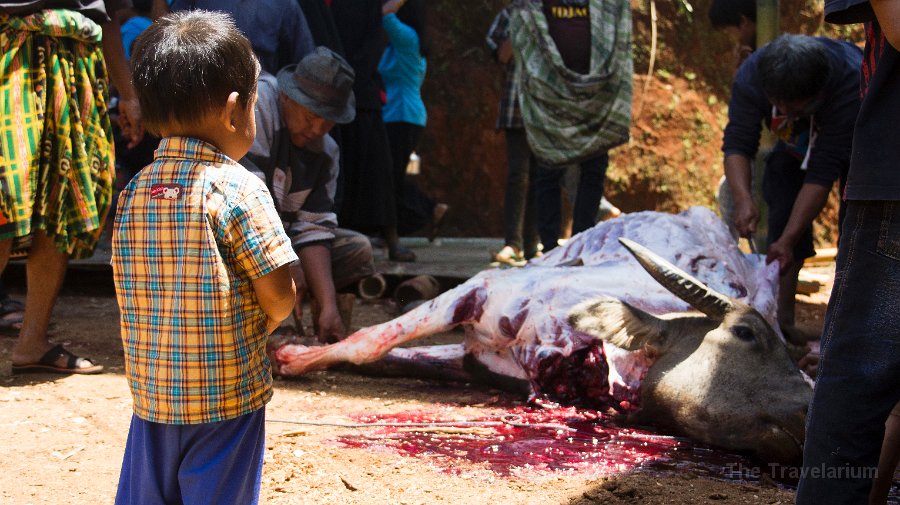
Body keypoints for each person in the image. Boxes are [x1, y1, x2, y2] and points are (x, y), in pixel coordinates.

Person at [112, 11, 298, 504]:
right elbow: (278, 295)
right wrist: (269, 320)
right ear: (235, 111)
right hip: (225, 396)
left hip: (152, 396)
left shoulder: (134, 192)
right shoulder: (240, 189)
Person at [1, 0, 143, 374]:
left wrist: (128, 94)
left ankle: (32, 342)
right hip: (9, 50)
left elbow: (107, 13)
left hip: (76, 60)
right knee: (6, 195)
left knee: (62, 200)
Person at [795, 0, 900, 502]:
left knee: (861, 373)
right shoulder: (756, 82)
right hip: (894, 184)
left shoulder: (835, 83)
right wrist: (788, 235)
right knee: (863, 374)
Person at [721, 34, 859, 333]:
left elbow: (822, 172)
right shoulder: (753, 76)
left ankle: (848, 324)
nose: (789, 114)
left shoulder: (850, 79)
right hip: (795, 143)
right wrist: (744, 199)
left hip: (859, 142)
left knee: (856, 220)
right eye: (782, 107)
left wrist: (789, 238)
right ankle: (782, 320)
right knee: (781, 179)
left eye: (797, 109)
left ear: (818, 94)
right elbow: (737, 142)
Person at [241, 46, 376, 344]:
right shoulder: (260, 103)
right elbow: (247, 200)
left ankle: (313, 313)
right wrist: (285, 262)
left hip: (284, 243)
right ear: (287, 96)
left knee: (357, 250)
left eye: (327, 121)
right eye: (311, 116)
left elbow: (313, 230)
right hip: (243, 236)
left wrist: (328, 306)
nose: (317, 129)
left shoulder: (327, 153)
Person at [509, 0, 632, 253]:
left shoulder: (606, 4)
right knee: (549, 170)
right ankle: (551, 246)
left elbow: (616, 31)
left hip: (595, 98)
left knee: (594, 169)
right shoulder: (536, 4)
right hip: (551, 97)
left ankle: (583, 241)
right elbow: (523, 28)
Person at [330, 0, 415, 262]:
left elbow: (374, 40)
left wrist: (355, 78)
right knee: (338, 170)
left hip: (363, 90)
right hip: (330, 87)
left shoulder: (369, 6)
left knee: (379, 170)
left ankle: (392, 238)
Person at [379, 0, 448, 241]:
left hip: (403, 114)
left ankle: (427, 210)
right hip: (401, 114)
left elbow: (385, 14)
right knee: (391, 174)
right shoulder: (403, 43)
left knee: (392, 175)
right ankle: (427, 210)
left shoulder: (407, 37)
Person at [486, 3, 540, 266]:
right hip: (516, 109)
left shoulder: (553, 14)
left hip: (546, 112)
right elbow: (502, 55)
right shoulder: (509, 15)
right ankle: (513, 243)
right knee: (519, 175)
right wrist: (520, 25)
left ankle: (535, 244)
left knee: (543, 177)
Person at [158, 0, 315, 75]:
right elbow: (169, 36)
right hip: (200, 91)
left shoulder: (284, 4)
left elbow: (306, 61)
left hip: (257, 99)